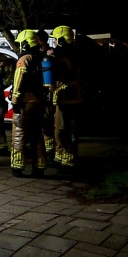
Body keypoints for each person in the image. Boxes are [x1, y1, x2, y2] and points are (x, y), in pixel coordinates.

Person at [9, 29, 49, 178]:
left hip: (25, 101)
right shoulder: (41, 57)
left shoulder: (24, 58)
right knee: (37, 134)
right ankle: (39, 166)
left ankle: (17, 166)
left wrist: (15, 100)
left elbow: (19, 78)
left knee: (19, 132)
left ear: (25, 43)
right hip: (39, 101)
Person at [49, 25, 83, 175]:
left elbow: (58, 73)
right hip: (74, 95)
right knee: (67, 127)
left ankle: (67, 159)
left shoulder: (62, 54)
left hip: (65, 96)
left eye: (56, 40)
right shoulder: (77, 52)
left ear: (61, 39)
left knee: (63, 128)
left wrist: (51, 56)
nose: (54, 43)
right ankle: (61, 155)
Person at [36, 29, 56, 157]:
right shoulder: (36, 53)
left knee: (46, 121)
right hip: (37, 92)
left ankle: (49, 148)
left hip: (47, 93)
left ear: (41, 41)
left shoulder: (51, 54)